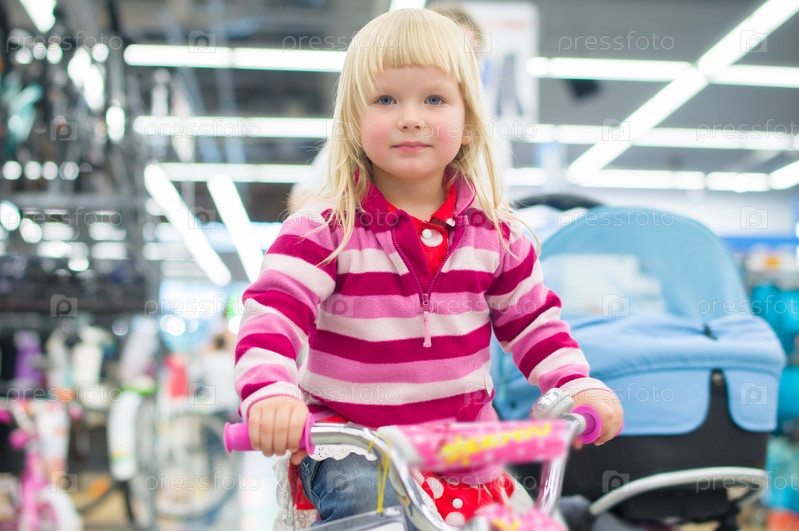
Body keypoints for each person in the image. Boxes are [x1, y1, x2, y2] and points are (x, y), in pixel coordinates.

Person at [236, 8, 624, 527]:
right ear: (352, 121)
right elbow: (272, 316)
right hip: (354, 445)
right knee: (369, 504)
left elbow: (535, 325)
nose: (411, 117)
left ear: (468, 123)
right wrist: (271, 393)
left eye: (435, 99)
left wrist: (575, 384)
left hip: (464, 450)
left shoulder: (498, 238)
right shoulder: (324, 231)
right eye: (385, 100)